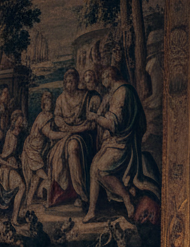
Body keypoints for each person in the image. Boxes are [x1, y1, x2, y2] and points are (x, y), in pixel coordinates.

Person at [84, 66, 161, 223]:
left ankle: (126, 198)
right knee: (93, 167)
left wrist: (95, 118)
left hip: (122, 143)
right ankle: (92, 211)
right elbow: (140, 123)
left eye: (104, 78)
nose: (102, 82)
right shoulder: (122, 91)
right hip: (118, 141)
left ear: (109, 76)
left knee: (101, 170)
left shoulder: (121, 93)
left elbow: (113, 124)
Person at [46, 68, 94, 209]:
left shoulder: (84, 96)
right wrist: (66, 127)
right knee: (56, 155)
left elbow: (90, 121)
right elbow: (57, 118)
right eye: (67, 82)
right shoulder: (61, 99)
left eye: (72, 81)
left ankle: (81, 193)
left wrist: (76, 128)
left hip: (82, 134)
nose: (70, 84)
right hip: (66, 133)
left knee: (73, 148)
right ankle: (65, 192)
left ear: (77, 81)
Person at [0, 108, 27, 226]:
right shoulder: (10, 135)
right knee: (22, 186)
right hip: (6, 168)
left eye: (21, 121)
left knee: (23, 186)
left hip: (12, 166)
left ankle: (16, 216)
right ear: (14, 120)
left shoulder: (17, 134)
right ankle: (14, 218)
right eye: (19, 120)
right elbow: (3, 156)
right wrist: (10, 163)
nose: (20, 122)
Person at [22, 91, 54, 209]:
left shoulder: (48, 116)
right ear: (43, 105)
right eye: (46, 103)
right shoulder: (43, 117)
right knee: (45, 177)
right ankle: (48, 200)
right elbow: (49, 134)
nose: (49, 104)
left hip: (37, 149)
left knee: (35, 177)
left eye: (50, 102)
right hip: (31, 150)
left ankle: (29, 201)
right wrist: (66, 134)